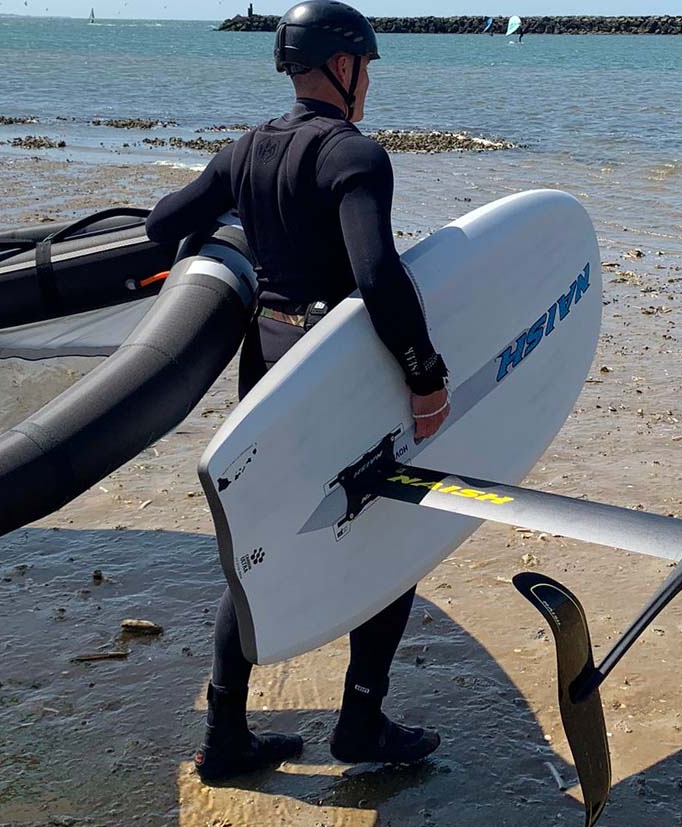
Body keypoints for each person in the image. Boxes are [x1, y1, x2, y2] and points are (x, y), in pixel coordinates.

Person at [145, 0, 452, 782]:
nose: (370, 84)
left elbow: (162, 222)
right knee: (391, 537)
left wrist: (226, 236)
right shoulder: (354, 156)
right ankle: (360, 719)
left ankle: (224, 736)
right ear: (344, 66)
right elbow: (378, 275)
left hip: (267, 372)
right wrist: (425, 375)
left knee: (258, 556)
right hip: (336, 379)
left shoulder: (247, 147)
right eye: (368, 69)